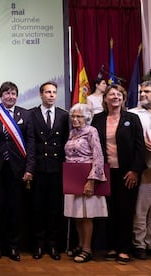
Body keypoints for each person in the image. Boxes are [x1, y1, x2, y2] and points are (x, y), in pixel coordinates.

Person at [91, 84, 145, 264]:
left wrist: (135, 171)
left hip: (126, 173)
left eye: (119, 94)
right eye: (111, 94)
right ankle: (112, 246)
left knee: (126, 210)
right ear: (105, 99)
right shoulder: (97, 119)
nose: (115, 97)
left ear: (123, 98)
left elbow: (139, 148)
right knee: (109, 211)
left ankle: (124, 249)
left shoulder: (132, 118)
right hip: (104, 172)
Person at [0, 81, 35, 262]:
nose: (10, 96)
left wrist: (29, 168)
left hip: (18, 170)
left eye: (13, 93)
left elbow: (30, 143)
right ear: (1, 95)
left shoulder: (26, 114)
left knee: (15, 209)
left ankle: (13, 246)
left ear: (17, 96)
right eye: (7, 93)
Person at [30, 81, 69, 260]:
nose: (52, 95)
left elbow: (66, 142)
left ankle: (53, 244)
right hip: (37, 169)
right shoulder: (31, 114)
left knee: (54, 208)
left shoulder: (64, 115)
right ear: (41, 94)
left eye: (54, 92)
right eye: (48, 92)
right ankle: (39, 244)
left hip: (56, 169)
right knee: (37, 208)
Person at [63, 103, 108, 263]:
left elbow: (98, 155)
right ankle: (81, 245)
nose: (75, 119)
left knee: (87, 216)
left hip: (87, 176)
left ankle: (88, 249)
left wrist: (91, 181)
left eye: (79, 116)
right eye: (73, 116)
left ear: (87, 117)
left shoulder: (91, 131)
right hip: (72, 177)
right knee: (77, 214)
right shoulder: (72, 132)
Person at [130, 80, 151, 260]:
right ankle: (140, 244)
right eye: (141, 91)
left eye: (147, 91)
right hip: (144, 168)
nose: (143, 94)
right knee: (141, 209)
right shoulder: (133, 114)